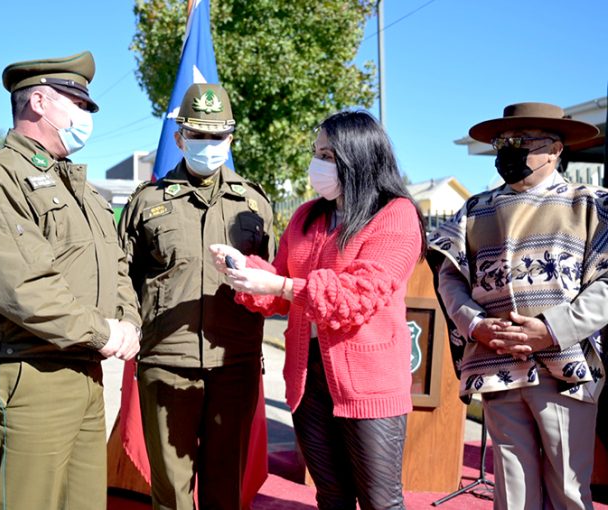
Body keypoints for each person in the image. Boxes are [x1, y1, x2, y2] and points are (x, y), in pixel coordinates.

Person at [0, 51, 141, 510]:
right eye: (77, 103)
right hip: (29, 374)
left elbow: (115, 264)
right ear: (38, 102)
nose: (86, 116)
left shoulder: (83, 189)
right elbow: (22, 287)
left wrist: (126, 320)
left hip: (85, 370)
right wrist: (104, 331)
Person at [210, 110, 424, 510]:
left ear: (356, 157)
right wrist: (244, 268)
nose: (316, 164)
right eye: (316, 153)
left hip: (369, 382)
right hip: (308, 378)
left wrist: (279, 285)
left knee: (381, 500)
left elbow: (356, 295)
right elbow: (278, 288)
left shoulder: (395, 215)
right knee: (331, 494)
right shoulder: (307, 216)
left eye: (326, 155)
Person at [429, 102, 605, 509]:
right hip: (496, 363)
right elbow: (449, 276)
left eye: (523, 141)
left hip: (566, 367)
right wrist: (474, 325)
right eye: (503, 142)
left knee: (569, 488)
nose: (510, 149)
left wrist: (554, 328)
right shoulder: (474, 209)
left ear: (556, 150)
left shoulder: (592, 204)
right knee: (512, 491)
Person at [118, 82, 274, 509]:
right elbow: (121, 278)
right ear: (179, 138)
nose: (209, 144)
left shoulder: (255, 204)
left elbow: (271, 282)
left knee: (226, 485)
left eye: (217, 136)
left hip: (234, 363)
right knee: (170, 490)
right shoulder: (145, 202)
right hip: (166, 364)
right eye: (199, 135)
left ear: (230, 139)